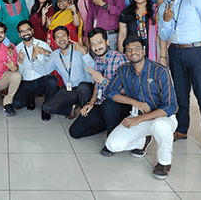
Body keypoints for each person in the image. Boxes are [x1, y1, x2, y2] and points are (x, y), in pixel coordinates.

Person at [157, 0, 201, 154]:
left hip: (197, 51)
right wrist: (166, 20)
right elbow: (163, 34)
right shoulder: (163, 7)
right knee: (180, 95)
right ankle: (181, 130)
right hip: (175, 51)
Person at [105, 36, 178, 180]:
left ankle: (164, 163)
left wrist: (139, 119)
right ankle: (143, 141)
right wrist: (134, 103)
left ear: (144, 51)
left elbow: (171, 105)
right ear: (125, 53)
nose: (133, 52)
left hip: (163, 117)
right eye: (129, 49)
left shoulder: (160, 71)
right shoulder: (124, 70)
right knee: (112, 144)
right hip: (138, 117)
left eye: (137, 48)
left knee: (160, 126)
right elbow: (109, 91)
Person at [69, 28, 130, 156]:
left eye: (99, 42)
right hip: (103, 104)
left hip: (120, 104)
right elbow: (97, 84)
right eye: (93, 44)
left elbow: (127, 90)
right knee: (75, 132)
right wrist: (91, 102)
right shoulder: (97, 60)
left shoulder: (119, 59)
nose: (97, 47)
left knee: (109, 103)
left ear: (107, 42)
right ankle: (111, 124)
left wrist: (103, 81)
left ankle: (112, 142)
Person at [37, 26, 95, 119]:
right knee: (47, 108)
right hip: (71, 89)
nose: (61, 39)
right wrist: (34, 58)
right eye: (58, 37)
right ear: (55, 41)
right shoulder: (54, 55)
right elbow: (44, 71)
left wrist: (85, 53)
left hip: (86, 88)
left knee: (82, 87)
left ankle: (86, 116)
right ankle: (72, 110)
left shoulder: (79, 49)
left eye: (63, 35)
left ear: (69, 37)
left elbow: (94, 69)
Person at [13, 20, 58, 121]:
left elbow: (54, 62)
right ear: (19, 34)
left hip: (42, 79)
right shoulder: (17, 49)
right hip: (27, 81)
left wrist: (44, 52)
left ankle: (46, 109)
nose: (25, 33)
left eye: (28, 30)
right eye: (22, 31)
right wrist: (19, 60)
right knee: (17, 104)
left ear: (32, 31)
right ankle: (31, 97)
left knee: (53, 81)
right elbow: (16, 71)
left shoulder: (42, 44)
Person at [118, 0, 167, 66]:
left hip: (154, 54)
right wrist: (120, 56)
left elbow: (163, 35)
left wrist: (163, 57)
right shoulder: (126, 13)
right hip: (133, 53)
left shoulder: (156, 10)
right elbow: (122, 35)